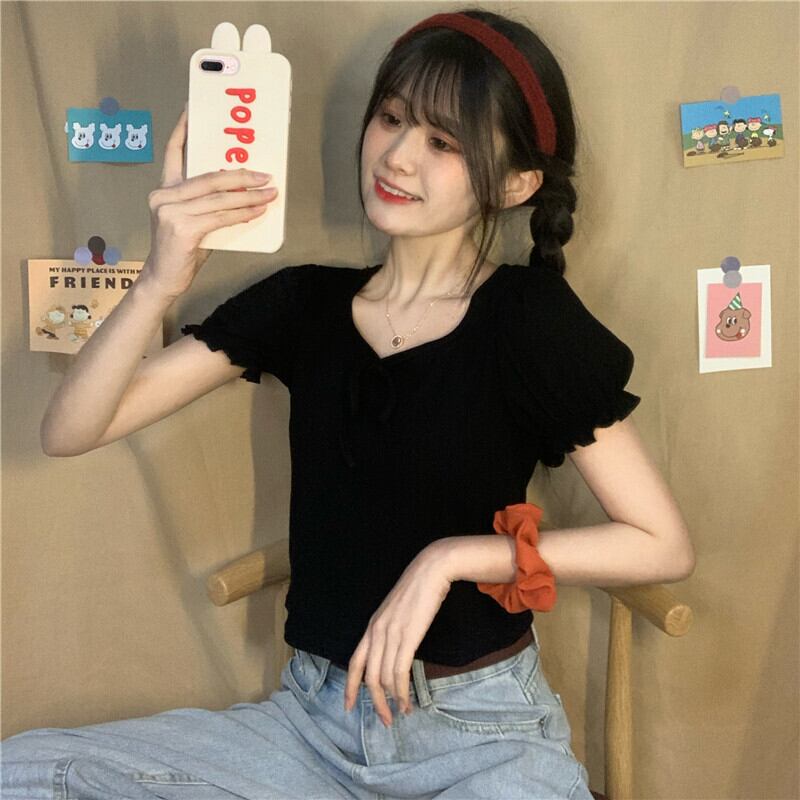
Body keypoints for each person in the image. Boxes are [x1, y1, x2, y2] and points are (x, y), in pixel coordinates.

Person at [2, 7, 694, 800]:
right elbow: (70, 429)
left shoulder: (528, 320)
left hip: (482, 737)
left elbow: (662, 545)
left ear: (516, 183)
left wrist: (450, 560)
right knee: (26, 773)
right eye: (391, 118)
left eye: (444, 142)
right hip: (310, 730)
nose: (397, 155)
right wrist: (163, 276)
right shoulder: (303, 304)